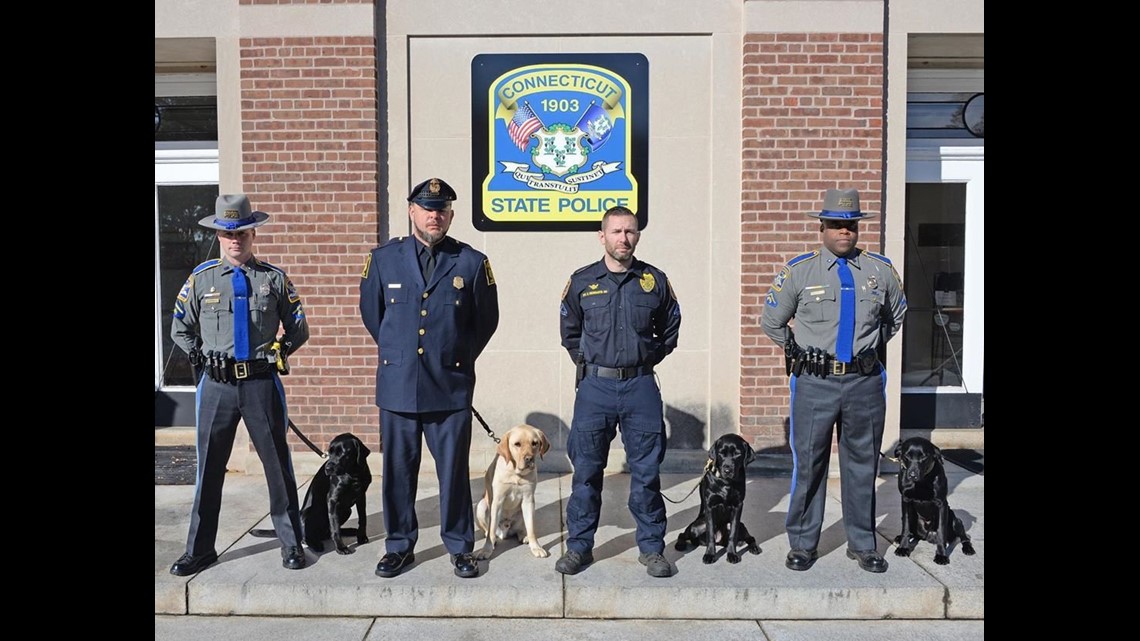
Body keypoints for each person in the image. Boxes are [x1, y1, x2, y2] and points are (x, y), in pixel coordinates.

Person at [760, 187, 907, 574]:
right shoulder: (800, 271)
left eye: (851, 225)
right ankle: (804, 543)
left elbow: (893, 320)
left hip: (864, 383)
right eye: (836, 225)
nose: (845, 232)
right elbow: (772, 322)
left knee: (862, 465)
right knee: (810, 464)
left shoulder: (881, 271)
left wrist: (867, 351)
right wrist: (799, 351)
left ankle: (862, 543)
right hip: (815, 383)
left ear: (858, 229)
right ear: (822, 227)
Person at [359, 177, 500, 579]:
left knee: (453, 472)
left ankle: (459, 546)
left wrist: (453, 358)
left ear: (451, 215)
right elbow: (375, 317)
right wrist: (400, 355)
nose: (434, 215)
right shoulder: (384, 259)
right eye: (426, 208)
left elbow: (485, 322)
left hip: (449, 386)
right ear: (411, 211)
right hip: (398, 386)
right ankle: (400, 546)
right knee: (398, 474)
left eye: (441, 209)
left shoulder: (471, 262)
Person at [169, 194, 310, 575]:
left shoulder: (273, 279)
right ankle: (200, 550)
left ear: (253, 234)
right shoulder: (202, 279)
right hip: (216, 386)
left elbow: (299, 328)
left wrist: (280, 350)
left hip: (261, 383)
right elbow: (179, 326)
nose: (236, 240)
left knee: (277, 468)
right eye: (228, 234)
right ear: (219, 236)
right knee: (210, 469)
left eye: (242, 233)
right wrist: (199, 353)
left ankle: (291, 543)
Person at [556, 206, 682, 578]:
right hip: (595, 387)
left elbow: (670, 328)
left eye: (629, 232)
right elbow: (570, 333)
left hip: (640, 386)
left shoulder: (653, 280)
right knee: (587, 472)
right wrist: (594, 364)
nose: (623, 238)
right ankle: (579, 546)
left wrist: (645, 360)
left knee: (646, 472)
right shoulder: (582, 281)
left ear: (637, 236)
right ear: (602, 236)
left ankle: (652, 548)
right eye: (616, 232)